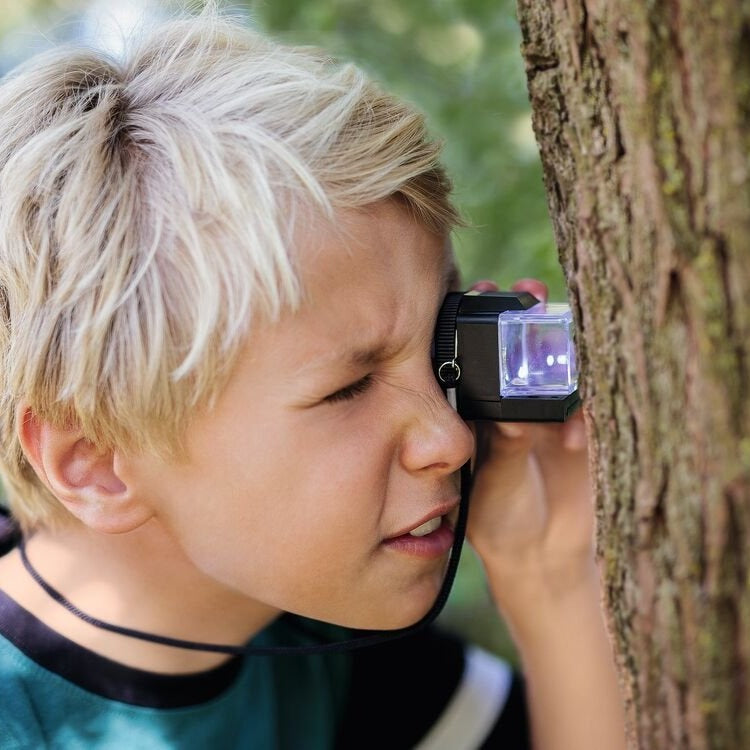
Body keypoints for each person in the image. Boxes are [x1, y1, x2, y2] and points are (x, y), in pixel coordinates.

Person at [0, 7, 625, 749]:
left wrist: (547, 570)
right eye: (349, 389)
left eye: (440, 347)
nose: (450, 438)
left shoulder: (311, 634)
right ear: (96, 459)